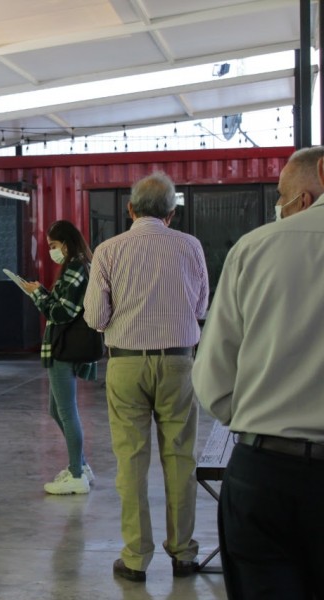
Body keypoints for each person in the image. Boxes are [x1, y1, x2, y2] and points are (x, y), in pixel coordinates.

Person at [192, 146, 324, 598]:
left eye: (285, 195)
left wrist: (258, 416)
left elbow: (213, 383)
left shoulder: (256, 248)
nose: (282, 207)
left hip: (266, 473)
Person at [83, 171, 209, 582]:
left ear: (130, 209)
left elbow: (95, 317)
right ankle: (184, 554)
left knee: (131, 461)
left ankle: (136, 557)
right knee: (180, 458)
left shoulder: (108, 250)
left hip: (125, 362)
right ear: (172, 213)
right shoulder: (191, 247)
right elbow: (201, 307)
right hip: (179, 362)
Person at [20, 220, 95, 495]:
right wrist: (41, 292)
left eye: (53, 245)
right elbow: (62, 305)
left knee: (67, 411)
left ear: (65, 243)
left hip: (65, 348)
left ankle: (76, 474)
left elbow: (61, 314)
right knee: (56, 410)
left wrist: (38, 294)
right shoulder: (77, 266)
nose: (51, 251)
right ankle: (81, 464)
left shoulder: (75, 269)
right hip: (62, 347)